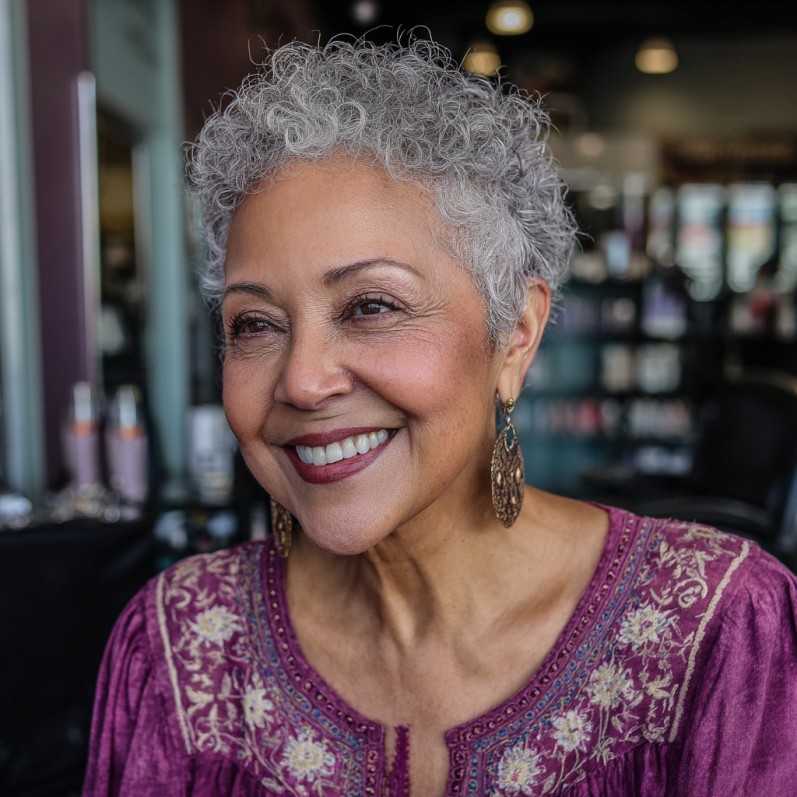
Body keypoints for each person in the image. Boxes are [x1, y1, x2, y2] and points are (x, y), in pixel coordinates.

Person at [82, 35, 797, 796]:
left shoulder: (719, 629)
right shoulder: (181, 642)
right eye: (254, 323)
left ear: (514, 334)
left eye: (371, 306)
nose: (301, 380)